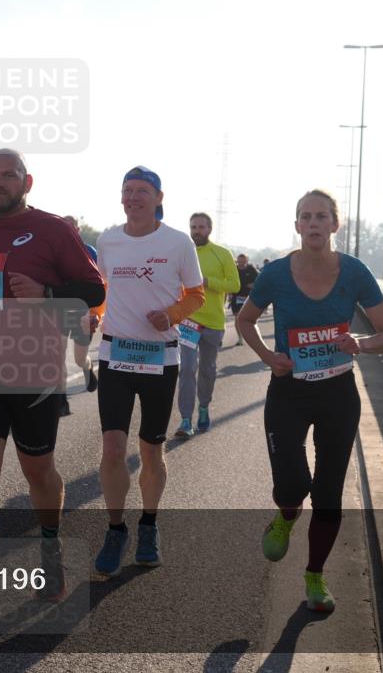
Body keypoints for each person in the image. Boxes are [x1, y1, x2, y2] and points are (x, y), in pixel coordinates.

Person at [0, 149, 106, 633]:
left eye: (7, 175)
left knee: (39, 473)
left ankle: (50, 546)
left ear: (27, 181)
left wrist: (48, 294)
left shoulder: (53, 229)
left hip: (33, 374)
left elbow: (94, 290)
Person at [235, 189, 383, 613]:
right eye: (305, 216)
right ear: (297, 226)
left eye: (321, 216)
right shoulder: (274, 274)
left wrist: (360, 343)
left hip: (337, 394)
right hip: (289, 392)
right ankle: (286, 516)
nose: (313, 223)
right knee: (293, 484)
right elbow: (245, 319)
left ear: (334, 225)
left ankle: (314, 576)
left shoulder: (355, 272)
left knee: (328, 492)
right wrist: (269, 357)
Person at [92, 167, 205, 575]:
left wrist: (172, 314)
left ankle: (149, 525)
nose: (133, 197)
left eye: (142, 191)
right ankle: (115, 528)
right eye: (127, 191)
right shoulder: (108, 239)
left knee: (151, 450)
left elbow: (196, 294)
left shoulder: (177, 242)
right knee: (111, 448)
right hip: (115, 355)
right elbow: (104, 288)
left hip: (160, 358)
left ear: (158, 197)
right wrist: (95, 314)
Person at [174, 213, 239, 436]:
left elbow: (235, 284)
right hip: (188, 322)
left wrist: (208, 282)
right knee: (187, 369)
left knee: (208, 371)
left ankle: (203, 407)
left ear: (209, 229)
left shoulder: (222, 254)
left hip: (213, 323)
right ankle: (185, 420)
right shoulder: (183, 253)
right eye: (193, 227)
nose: (196, 231)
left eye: (201, 227)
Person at [60, 215, 102, 418]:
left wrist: (95, 314)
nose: (68, 231)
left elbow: (99, 287)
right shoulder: (52, 252)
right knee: (56, 357)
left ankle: (87, 367)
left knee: (78, 358)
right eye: (63, 228)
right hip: (58, 310)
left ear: (77, 230)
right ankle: (61, 400)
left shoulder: (90, 252)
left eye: (71, 228)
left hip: (82, 312)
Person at [230, 254, 259, 345]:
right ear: (237, 261)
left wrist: (254, 285)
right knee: (237, 318)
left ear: (247, 261)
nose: (241, 263)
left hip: (249, 297)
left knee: (250, 319)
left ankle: (253, 337)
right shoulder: (233, 269)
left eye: (243, 261)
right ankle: (240, 338)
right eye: (239, 261)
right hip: (236, 297)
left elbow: (261, 279)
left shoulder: (251, 269)